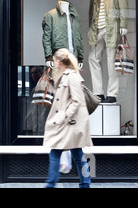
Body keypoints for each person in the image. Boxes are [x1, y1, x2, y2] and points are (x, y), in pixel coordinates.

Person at [43, 48, 92, 188]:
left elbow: (77, 101)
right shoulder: (66, 75)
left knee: (57, 154)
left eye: (54, 61)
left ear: (58, 61)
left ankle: (50, 185)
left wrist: (64, 116)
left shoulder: (73, 77)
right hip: (68, 123)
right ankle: (85, 184)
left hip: (70, 123)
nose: (54, 63)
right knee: (77, 156)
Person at [88, 0, 128, 104]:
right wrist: (90, 28)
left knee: (111, 60)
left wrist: (123, 24)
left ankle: (112, 93)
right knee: (93, 58)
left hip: (111, 26)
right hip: (96, 28)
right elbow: (91, 8)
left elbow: (123, 4)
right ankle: (98, 92)